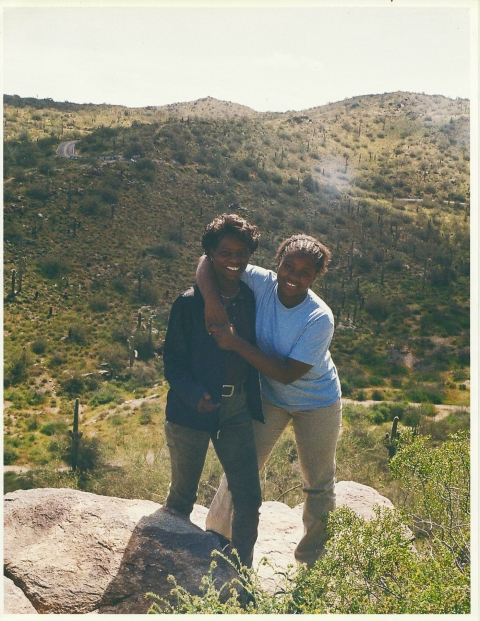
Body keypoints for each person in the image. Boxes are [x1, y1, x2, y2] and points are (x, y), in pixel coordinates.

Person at [196, 233, 342, 568]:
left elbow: (287, 373)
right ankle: (217, 537)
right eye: (288, 266)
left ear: (316, 277)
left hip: (317, 402)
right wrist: (213, 302)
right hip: (270, 398)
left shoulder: (319, 318)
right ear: (278, 262)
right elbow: (207, 262)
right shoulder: (261, 283)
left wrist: (234, 343)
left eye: (305, 272)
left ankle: (313, 563)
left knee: (318, 483)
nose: (293, 276)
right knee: (242, 468)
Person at [163, 214, 264, 568]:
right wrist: (193, 393)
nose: (234, 259)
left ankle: (240, 575)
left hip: (235, 408)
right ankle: (167, 572)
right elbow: (172, 362)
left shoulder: (252, 299)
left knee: (248, 497)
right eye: (224, 252)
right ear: (209, 254)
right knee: (182, 497)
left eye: (242, 252)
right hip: (191, 410)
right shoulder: (190, 303)